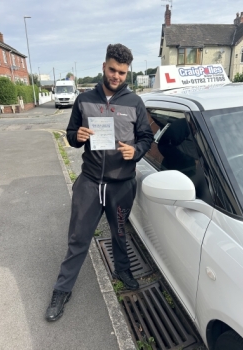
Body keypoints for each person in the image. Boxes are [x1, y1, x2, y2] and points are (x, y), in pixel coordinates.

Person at [45, 43, 154, 322]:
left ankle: (123, 270)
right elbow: (70, 135)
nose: (116, 76)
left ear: (127, 73)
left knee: (119, 232)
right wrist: (77, 137)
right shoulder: (84, 100)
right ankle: (62, 289)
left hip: (121, 185)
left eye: (122, 72)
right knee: (78, 238)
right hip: (91, 182)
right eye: (112, 69)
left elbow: (146, 137)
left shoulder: (134, 103)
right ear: (104, 66)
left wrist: (137, 151)